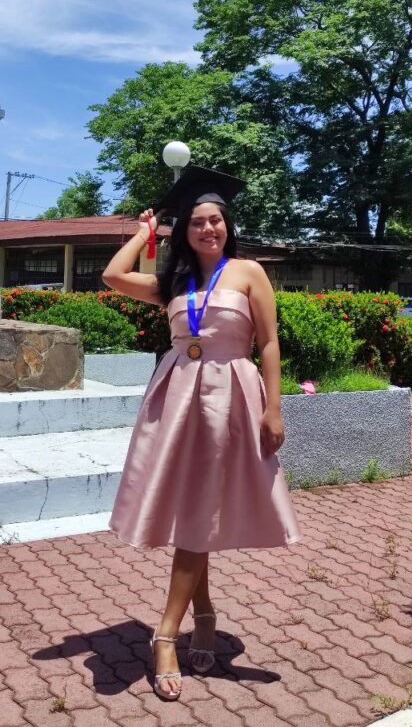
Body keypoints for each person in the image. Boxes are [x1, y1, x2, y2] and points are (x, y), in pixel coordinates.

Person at [103, 166, 301, 701]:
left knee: (198, 513)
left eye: (215, 220)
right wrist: (146, 231)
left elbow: (269, 343)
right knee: (195, 512)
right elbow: (113, 275)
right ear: (184, 232)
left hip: (229, 399)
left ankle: (166, 635)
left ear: (226, 225)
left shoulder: (248, 272)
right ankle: (205, 614)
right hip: (177, 399)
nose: (207, 229)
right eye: (196, 222)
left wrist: (275, 407)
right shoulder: (174, 282)